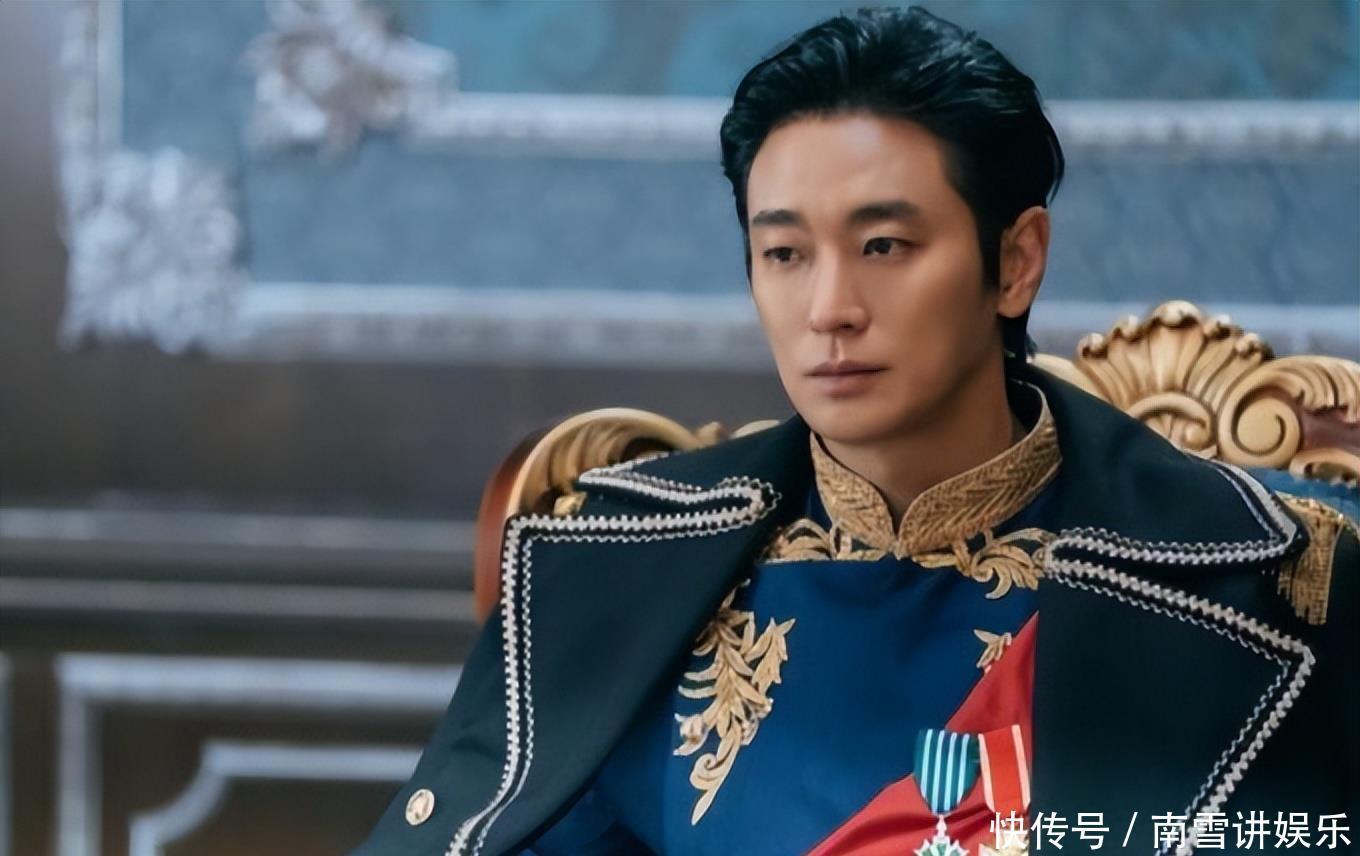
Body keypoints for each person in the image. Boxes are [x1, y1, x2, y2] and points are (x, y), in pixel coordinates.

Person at [352, 7, 1357, 855]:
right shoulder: (617, 569)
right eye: (785, 254)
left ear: (1014, 262)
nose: (829, 308)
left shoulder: (1271, 585)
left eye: (883, 245)